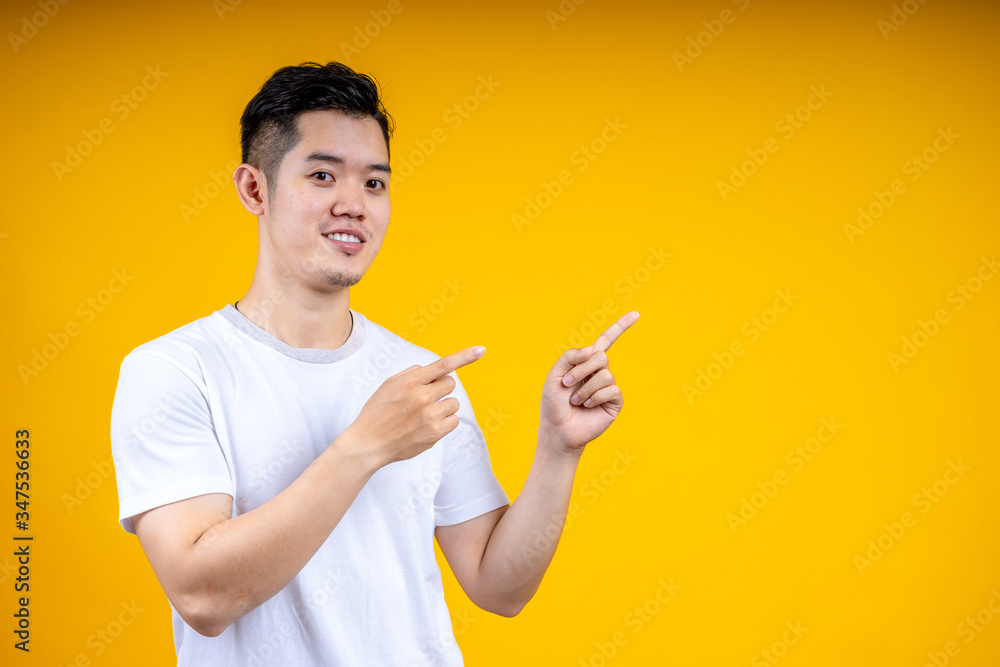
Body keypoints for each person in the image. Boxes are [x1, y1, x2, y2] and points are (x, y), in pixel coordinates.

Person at [110, 60, 639, 666]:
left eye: (374, 183)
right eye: (322, 175)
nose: (353, 205)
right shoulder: (176, 370)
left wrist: (558, 450)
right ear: (255, 189)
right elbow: (202, 595)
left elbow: (500, 588)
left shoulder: (419, 378)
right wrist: (366, 445)